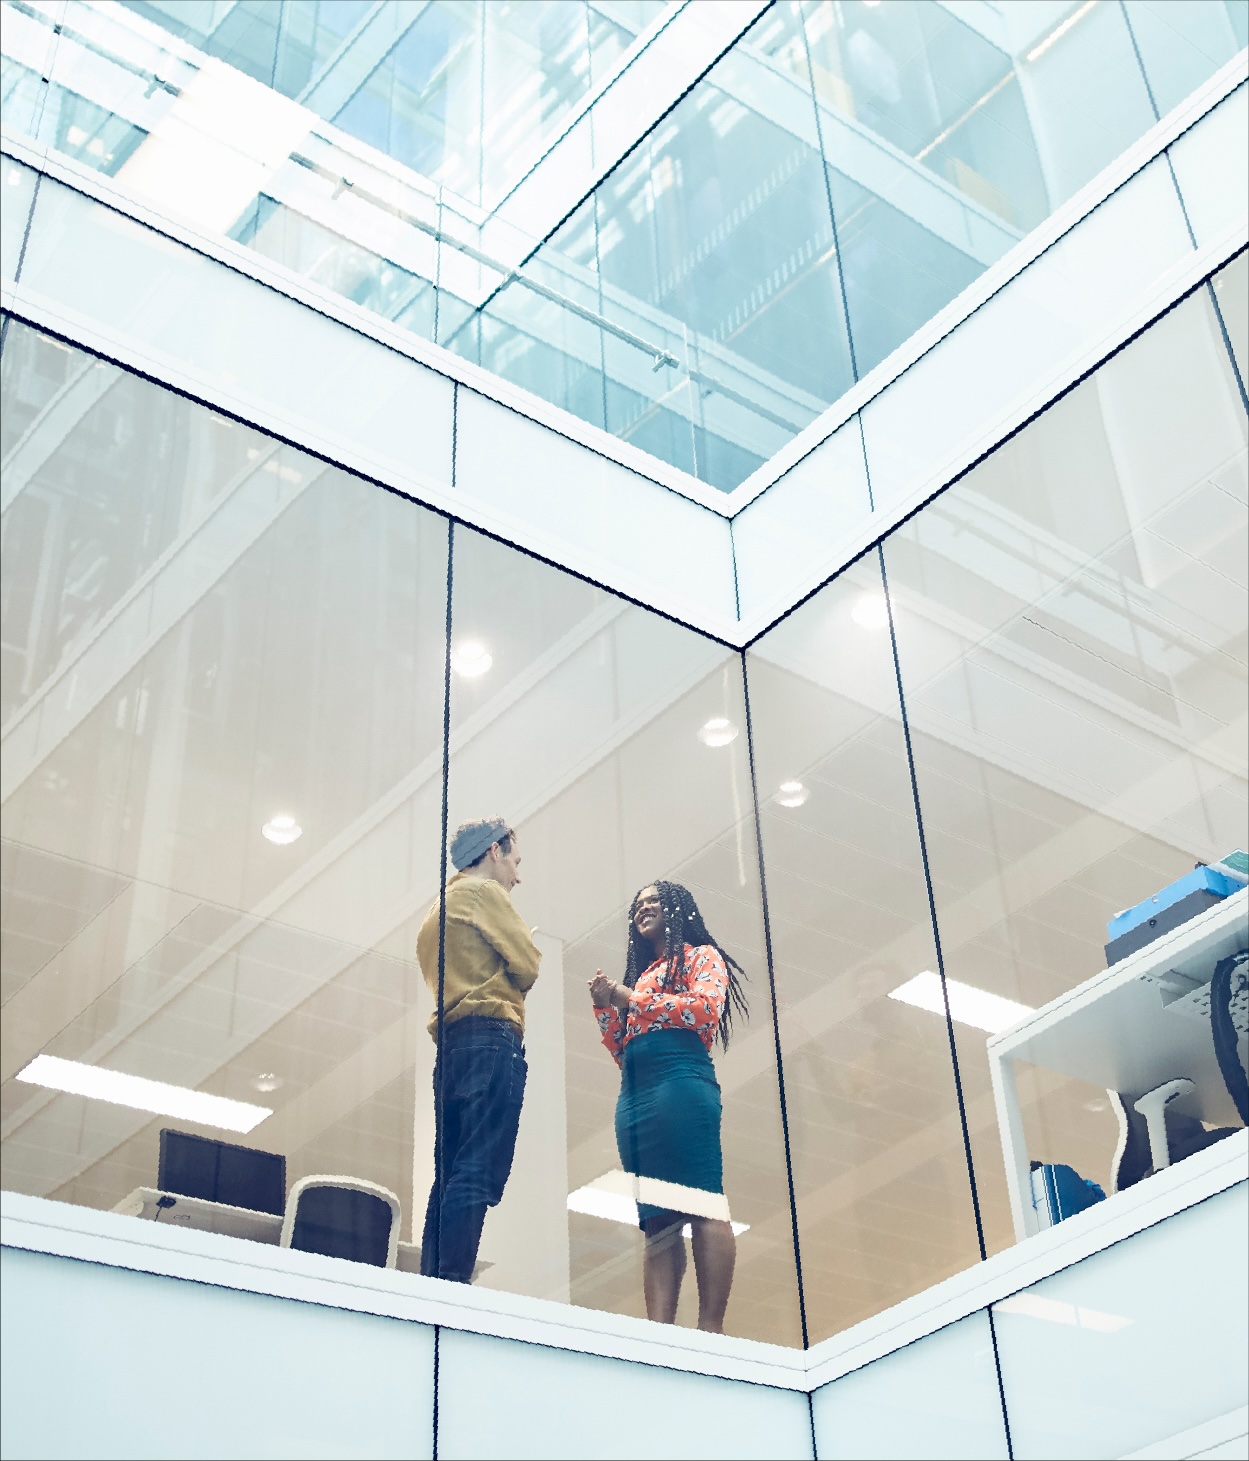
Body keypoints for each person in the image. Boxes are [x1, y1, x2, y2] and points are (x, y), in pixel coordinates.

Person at [588, 880, 748, 1332]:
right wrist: (605, 1007)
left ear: (679, 910)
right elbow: (622, 1050)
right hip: (636, 1096)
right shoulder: (643, 975)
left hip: (681, 1084)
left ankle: (711, 1328)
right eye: (638, 904)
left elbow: (703, 1010)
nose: (644, 909)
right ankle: (659, 1333)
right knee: (657, 1221)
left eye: (655, 901)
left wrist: (627, 998)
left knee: (702, 1202)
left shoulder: (702, 957)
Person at [417, 817, 540, 1282]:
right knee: (476, 1170)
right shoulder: (485, 895)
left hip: (450, 1047)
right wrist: (521, 948)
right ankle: (452, 1285)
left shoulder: (436, 910)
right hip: (491, 1039)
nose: (517, 875)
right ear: (494, 851)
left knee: (447, 1173)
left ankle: (434, 1279)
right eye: (514, 859)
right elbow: (527, 967)